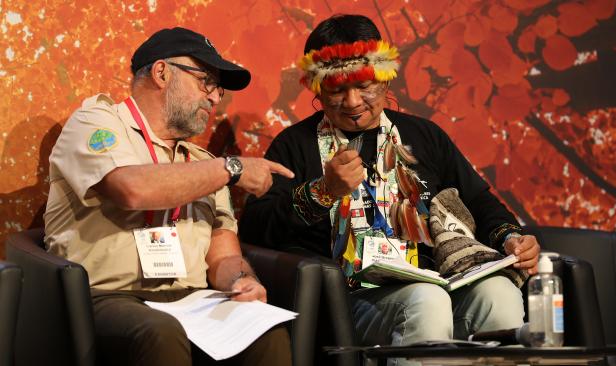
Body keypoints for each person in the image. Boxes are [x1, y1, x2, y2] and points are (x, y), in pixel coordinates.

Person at [240, 14, 540, 366]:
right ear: (318, 90)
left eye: (364, 86)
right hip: (348, 301)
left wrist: (511, 238)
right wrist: (322, 192)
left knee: (499, 293)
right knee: (426, 300)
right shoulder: (294, 145)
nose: (352, 102)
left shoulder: (424, 136)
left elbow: (478, 201)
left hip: (437, 281)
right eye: (337, 90)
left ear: (385, 79)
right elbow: (255, 229)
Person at [44, 27, 294, 366]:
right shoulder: (97, 121)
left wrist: (241, 279)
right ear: (162, 73)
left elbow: (222, 252)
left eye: (219, 88)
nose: (215, 97)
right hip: (104, 296)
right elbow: (131, 189)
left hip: (190, 300)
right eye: (206, 81)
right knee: (161, 330)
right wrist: (233, 168)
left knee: (263, 329)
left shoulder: (204, 163)